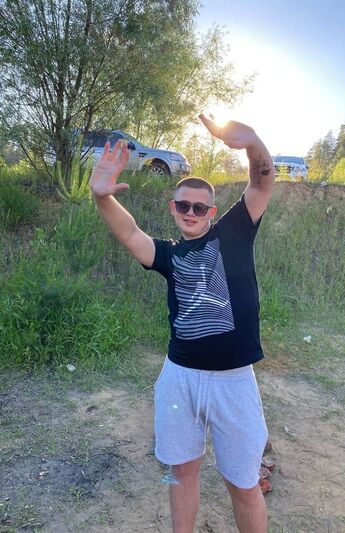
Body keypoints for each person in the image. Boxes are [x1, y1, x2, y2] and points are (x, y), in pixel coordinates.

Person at [89, 114, 275, 533]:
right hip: (180, 378)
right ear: (172, 208)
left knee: (244, 483)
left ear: (211, 211)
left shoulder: (234, 232)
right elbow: (130, 233)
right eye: (183, 205)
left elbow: (262, 184)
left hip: (234, 381)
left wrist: (252, 142)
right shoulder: (168, 255)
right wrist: (102, 197)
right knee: (181, 472)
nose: (191, 212)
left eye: (199, 207)